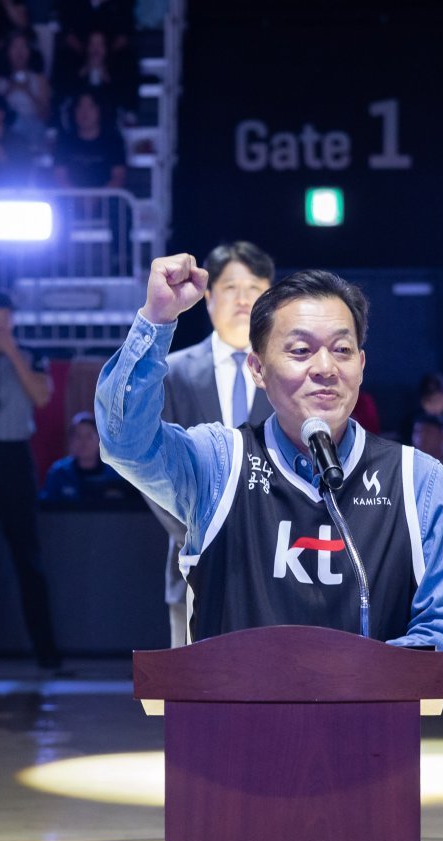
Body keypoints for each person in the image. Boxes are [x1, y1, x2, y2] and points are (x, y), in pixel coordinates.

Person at [95, 255, 443, 678]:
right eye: (300, 351)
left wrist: (353, 681)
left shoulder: (418, 480)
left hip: (368, 719)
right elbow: (125, 442)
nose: (325, 368)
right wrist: (156, 320)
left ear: (361, 365)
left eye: (342, 350)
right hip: (232, 716)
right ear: (257, 368)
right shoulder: (219, 464)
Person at [155, 241, 276, 647]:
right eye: (231, 288)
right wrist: (195, 532)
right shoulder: (174, 372)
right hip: (193, 559)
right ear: (208, 298)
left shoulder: (289, 374)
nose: (243, 299)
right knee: (190, 680)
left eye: (254, 288)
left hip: (279, 561)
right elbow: (154, 468)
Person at [0, 292, 59, 677]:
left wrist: (12, 353)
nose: (1, 325)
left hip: (16, 459)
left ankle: (47, 656)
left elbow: (41, 396)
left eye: (7, 318)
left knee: (29, 560)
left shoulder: (32, 355)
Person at [40, 411, 133, 504]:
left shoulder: (115, 473)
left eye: (89, 436)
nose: (83, 442)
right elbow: (46, 506)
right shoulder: (59, 473)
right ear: (71, 440)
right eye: (78, 436)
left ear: (100, 440)